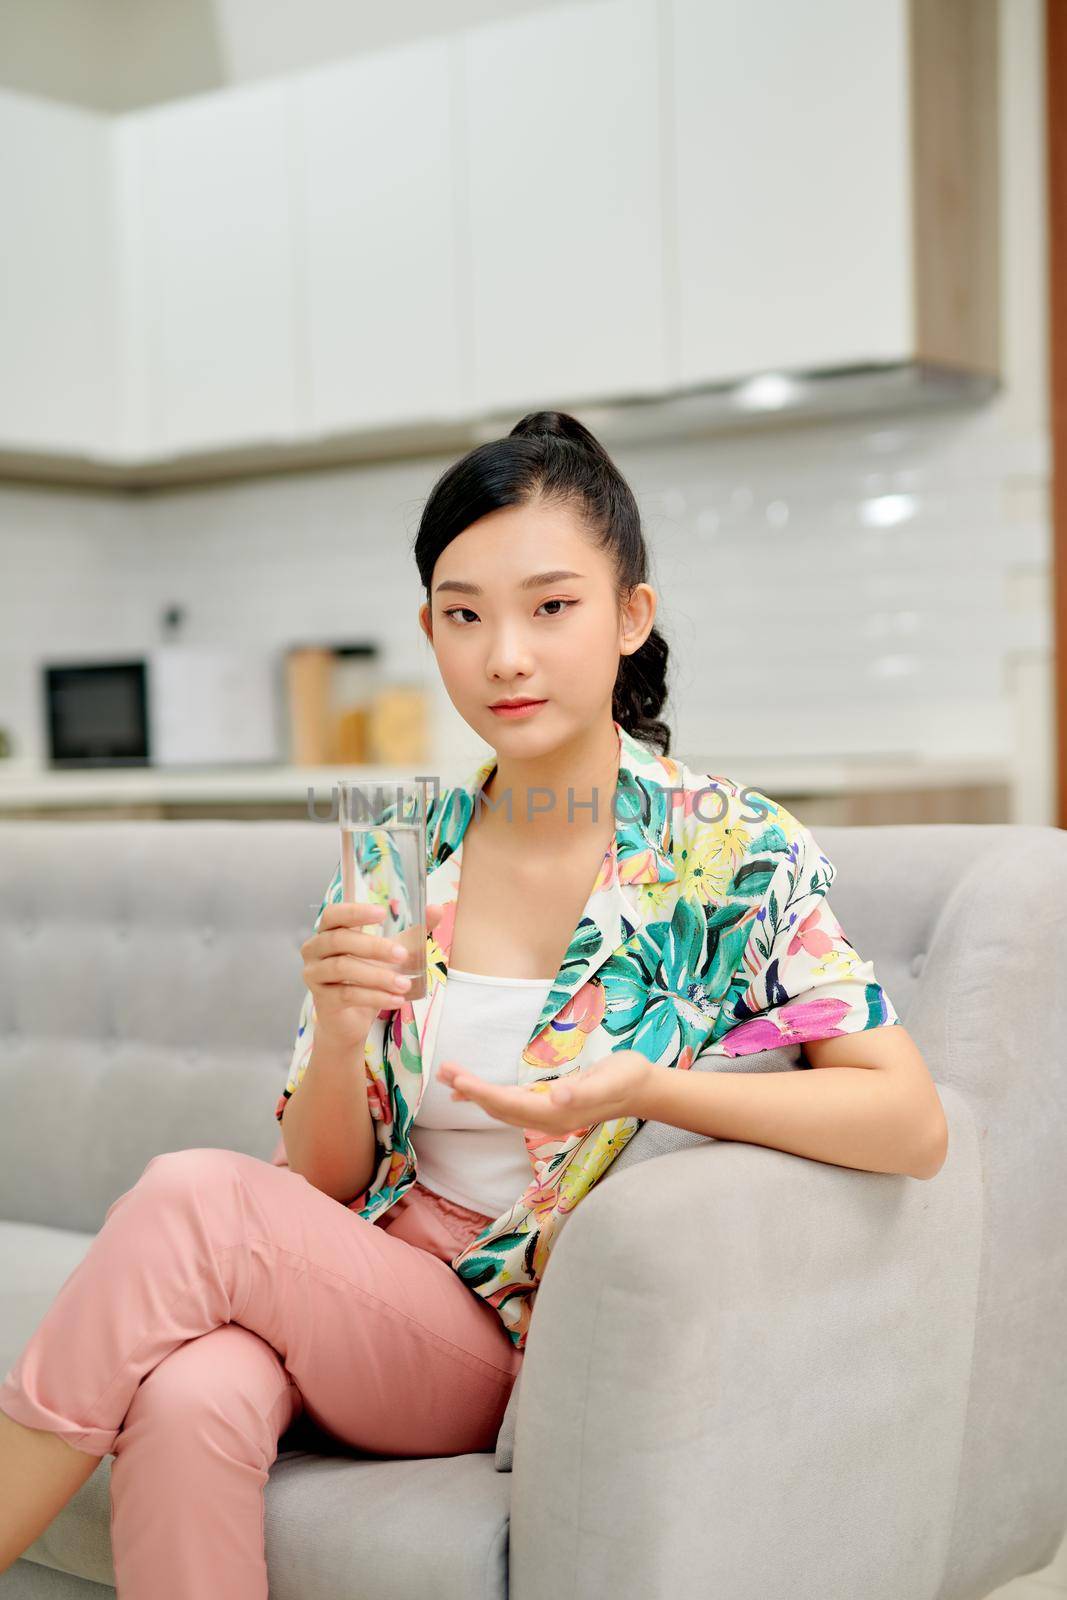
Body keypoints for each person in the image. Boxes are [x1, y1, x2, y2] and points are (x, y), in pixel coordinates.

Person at [0, 410, 945, 1598]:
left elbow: (907, 1120)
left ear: (628, 618)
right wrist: (341, 1027)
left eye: (550, 607)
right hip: (362, 1274)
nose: (504, 655)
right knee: (189, 1396)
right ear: (429, 630)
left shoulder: (732, 851)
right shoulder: (402, 847)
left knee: (193, 1196)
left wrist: (649, 1088)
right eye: (464, 614)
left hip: (504, 1332)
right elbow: (325, 1181)